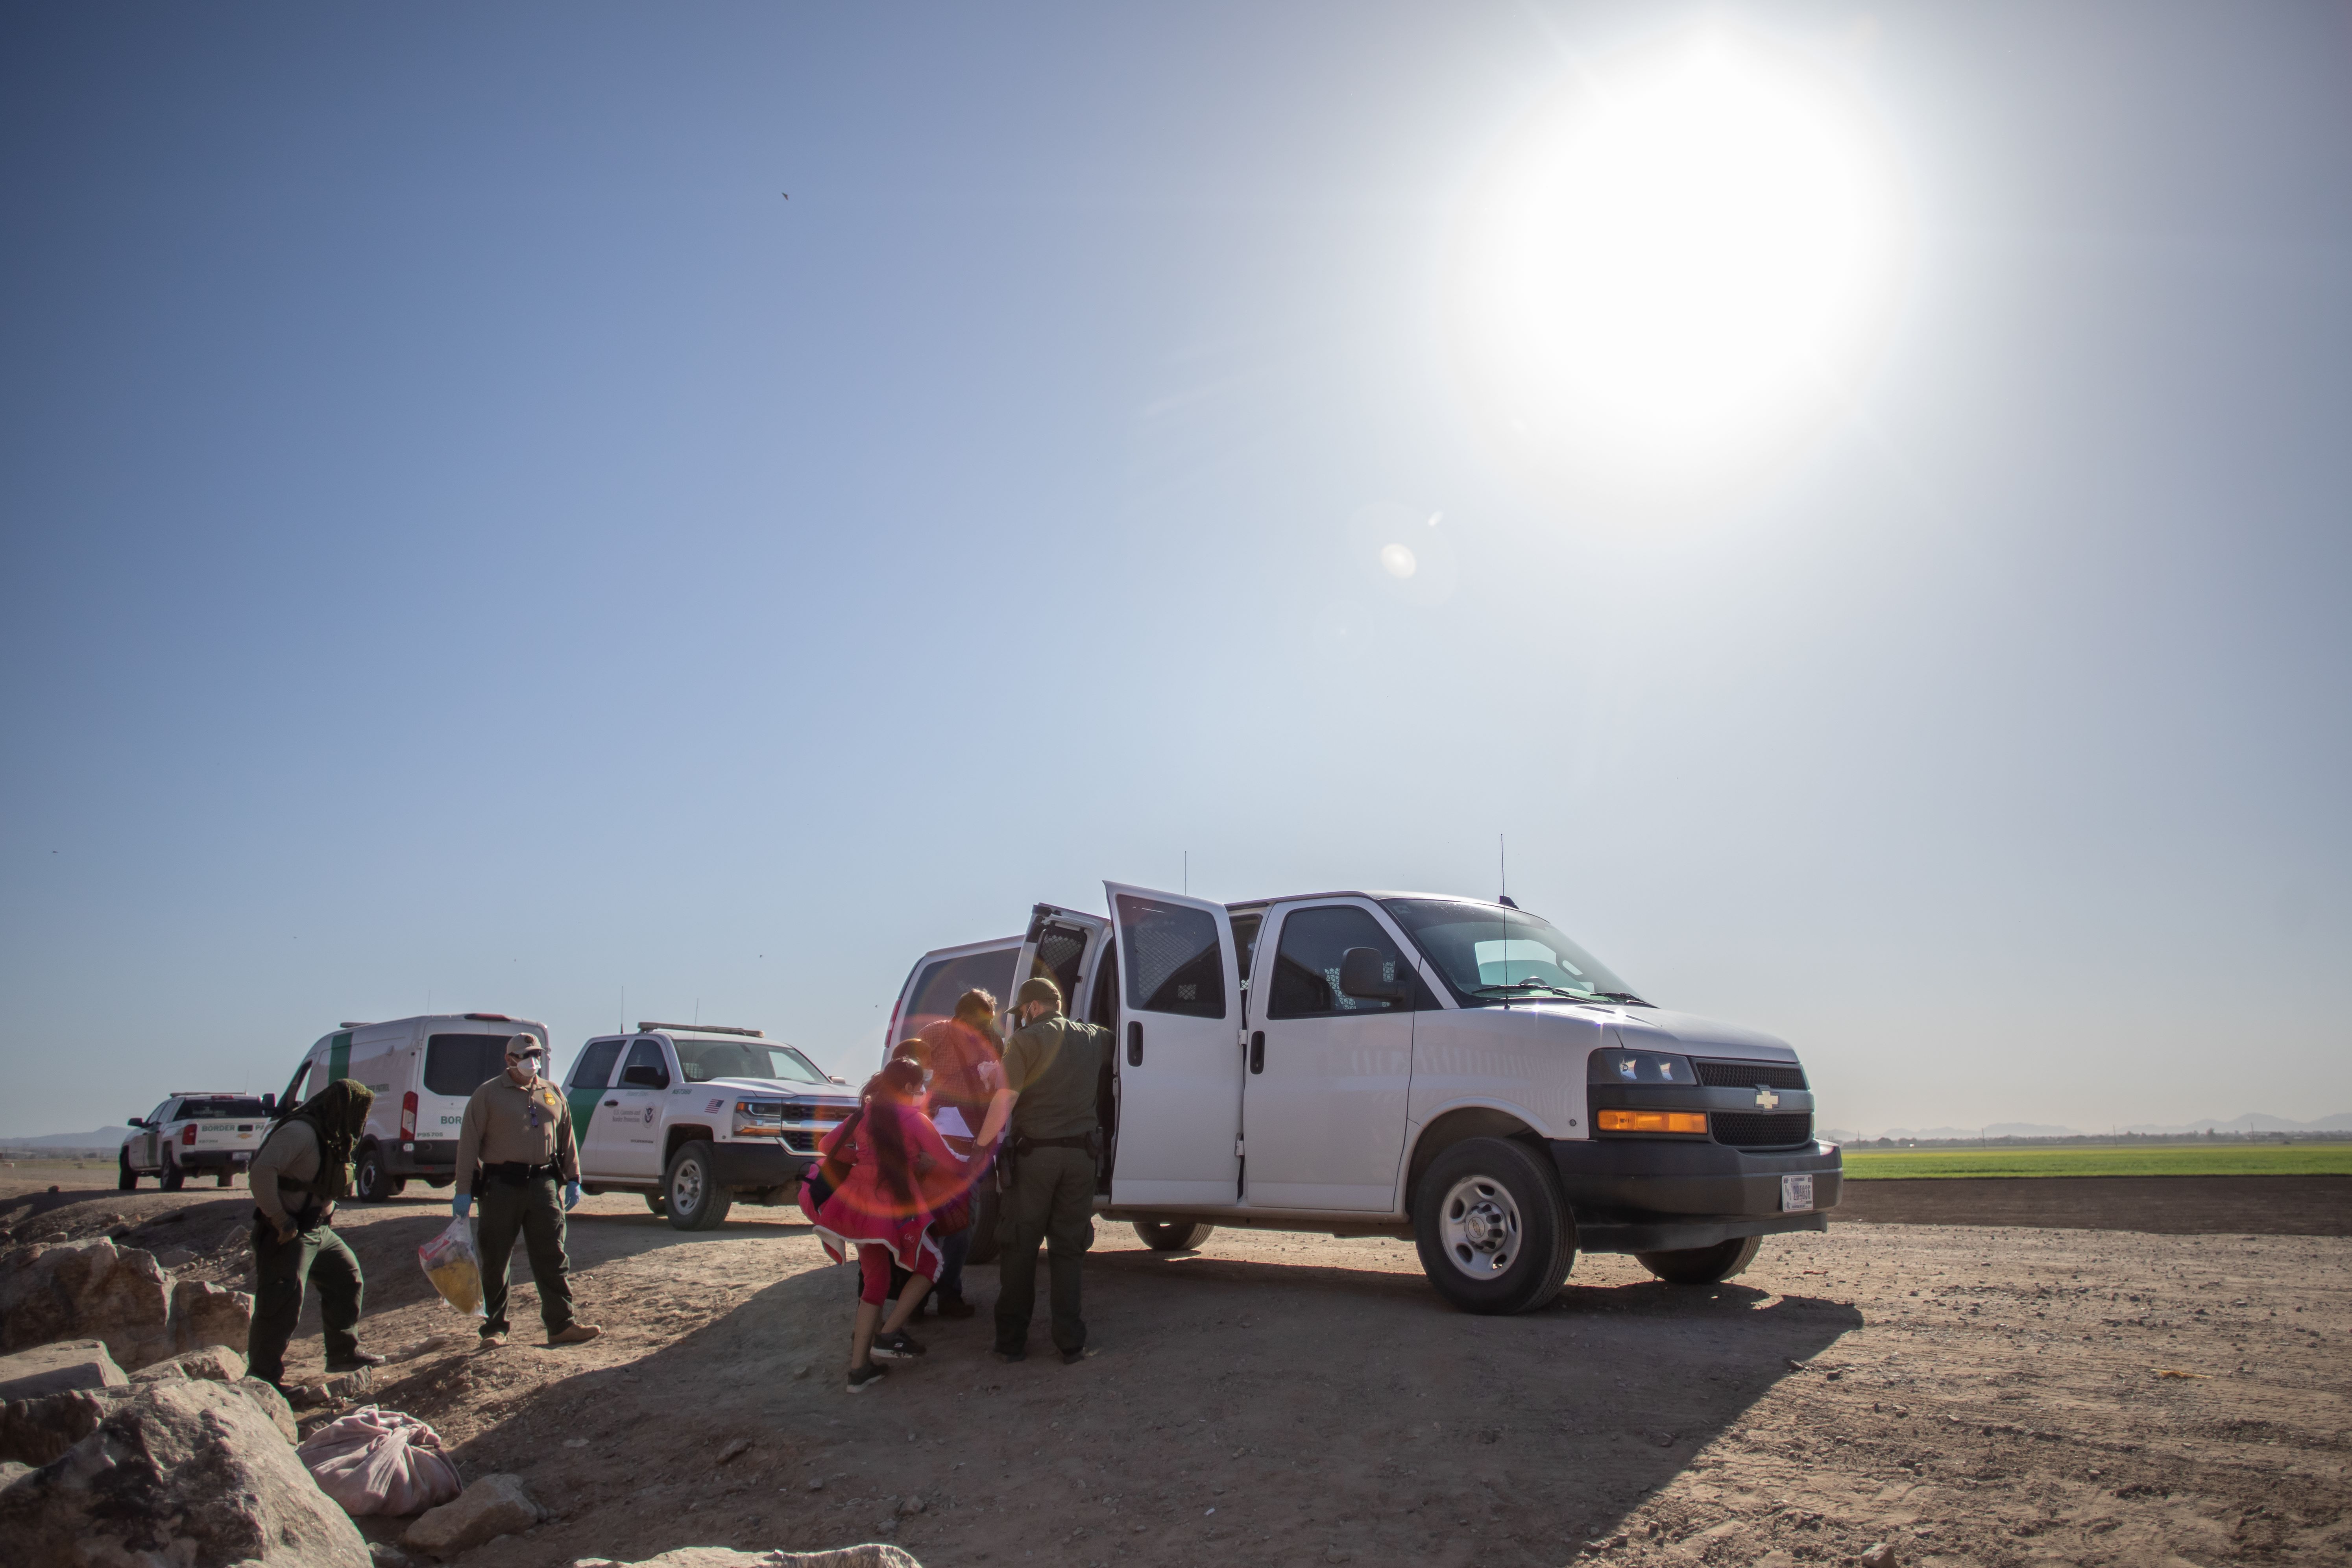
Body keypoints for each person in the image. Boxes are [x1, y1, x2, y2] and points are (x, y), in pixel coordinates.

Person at [805, 1055, 964, 1393]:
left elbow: (827, 1145)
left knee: (874, 1281)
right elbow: (951, 1163)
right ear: (908, 1087)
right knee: (932, 1263)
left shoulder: (865, 1113)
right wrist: (971, 1156)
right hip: (890, 1203)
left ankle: (858, 1370)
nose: (922, 1091)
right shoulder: (914, 1118)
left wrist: (862, 1159)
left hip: (856, 1205)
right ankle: (889, 1333)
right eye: (920, 1086)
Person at [974, 975, 1108, 1365]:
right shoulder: (1093, 1037)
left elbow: (1006, 1099)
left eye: (1023, 1012)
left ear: (1032, 1007)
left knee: (1019, 1247)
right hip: (1082, 1159)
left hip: (1036, 1159)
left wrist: (980, 1147)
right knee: (1069, 1248)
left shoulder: (1025, 1041)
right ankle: (1070, 1342)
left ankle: (1012, 1341)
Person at [451, 1034, 602, 1350]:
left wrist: (574, 1178)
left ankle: (561, 1324)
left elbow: (567, 1137)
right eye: (526, 1055)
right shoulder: (488, 1094)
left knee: (552, 1255)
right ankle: (495, 1328)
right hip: (501, 1185)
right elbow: (468, 1145)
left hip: (543, 1184)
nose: (533, 1060)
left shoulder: (552, 1092)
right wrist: (463, 1189)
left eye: (537, 1054)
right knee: (496, 1258)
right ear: (509, 1060)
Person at [246, 1078, 386, 1392]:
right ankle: (262, 1379)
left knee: (346, 1277)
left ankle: (343, 1353)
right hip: (287, 1231)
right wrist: (280, 1218)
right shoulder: (300, 1132)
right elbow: (261, 1171)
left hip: (318, 1230)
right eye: (358, 1109)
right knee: (282, 1302)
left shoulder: (333, 1137)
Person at [913, 988, 1005, 1318]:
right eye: (978, 1024)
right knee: (928, 1221)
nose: (983, 1030)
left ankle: (949, 1292)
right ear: (961, 1017)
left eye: (988, 1024)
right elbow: (912, 1078)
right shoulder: (935, 1033)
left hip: (974, 1140)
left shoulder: (993, 1040)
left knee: (962, 1223)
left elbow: (1000, 1088)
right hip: (936, 1137)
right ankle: (917, 1297)